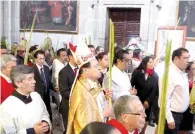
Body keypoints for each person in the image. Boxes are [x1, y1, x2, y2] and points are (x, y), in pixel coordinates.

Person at [0, 65, 51, 134]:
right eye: (30, 79)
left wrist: (45, 123)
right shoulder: (6, 106)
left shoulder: (36, 96)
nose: (34, 81)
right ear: (18, 83)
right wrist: (33, 131)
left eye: (33, 78)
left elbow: (44, 113)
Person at [66, 42, 103, 134]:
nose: (99, 68)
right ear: (85, 70)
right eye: (96, 66)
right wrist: (103, 114)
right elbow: (83, 123)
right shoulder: (81, 92)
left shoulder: (94, 82)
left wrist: (105, 96)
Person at [158, 48, 190, 134]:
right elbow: (164, 99)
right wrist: (169, 119)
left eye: (188, 58)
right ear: (176, 58)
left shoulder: (181, 73)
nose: (187, 61)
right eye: (185, 58)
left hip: (180, 115)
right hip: (172, 115)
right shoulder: (169, 74)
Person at [131, 56, 159, 132]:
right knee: (135, 117)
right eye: (150, 62)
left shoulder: (155, 76)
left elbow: (155, 90)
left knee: (145, 119)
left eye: (152, 62)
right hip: (136, 99)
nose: (152, 64)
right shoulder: (137, 72)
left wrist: (148, 101)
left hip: (147, 102)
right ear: (145, 63)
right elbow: (131, 84)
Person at [59, 49, 78, 133]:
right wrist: (78, 95)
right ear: (70, 57)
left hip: (79, 106)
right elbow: (63, 92)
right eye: (77, 56)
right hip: (68, 106)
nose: (79, 58)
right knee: (69, 129)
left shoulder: (81, 70)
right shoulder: (64, 72)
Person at [33, 50, 52, 121]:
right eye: (40, 59)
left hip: (47, 95)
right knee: (40, 114)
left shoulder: (46, 68)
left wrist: (54, 87)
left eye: (43, 58)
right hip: (37, 96)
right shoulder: (31, 69)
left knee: (48, 112)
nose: (42, 60)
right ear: (35, 59)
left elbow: (48, 82)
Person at [179, 62, 195, 134]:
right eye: (194, 69)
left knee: (187, 127)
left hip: (191, 107)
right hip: (181, 106)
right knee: (180, 127)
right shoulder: (182, 78)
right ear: (188, 70)